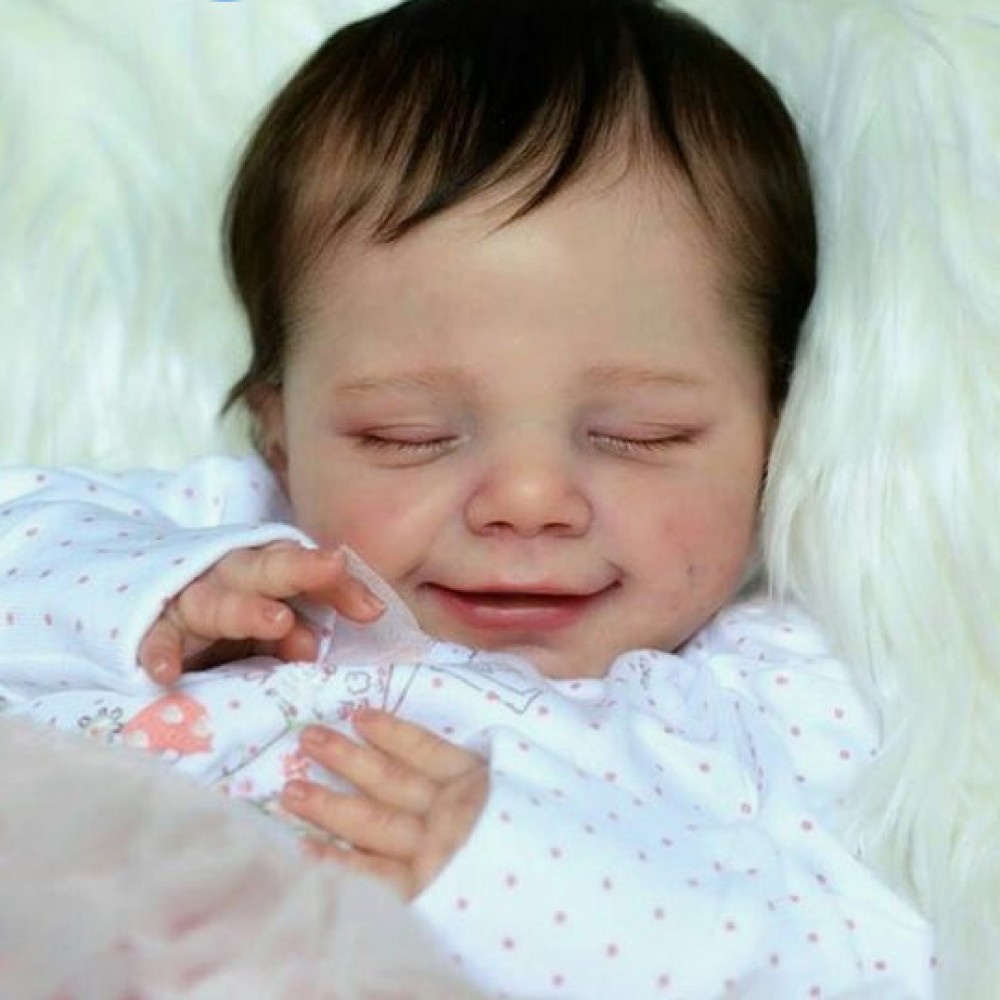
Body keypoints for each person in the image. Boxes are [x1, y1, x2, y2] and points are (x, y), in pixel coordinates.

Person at [0, 0, 934, 996]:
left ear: (779, 431)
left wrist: (524, 881)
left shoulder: (767, 701)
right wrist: (157, 601)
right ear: (282, 434)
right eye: (407, 436)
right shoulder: (226, 537)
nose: (527, 502)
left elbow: (864, 960)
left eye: (640, 434)